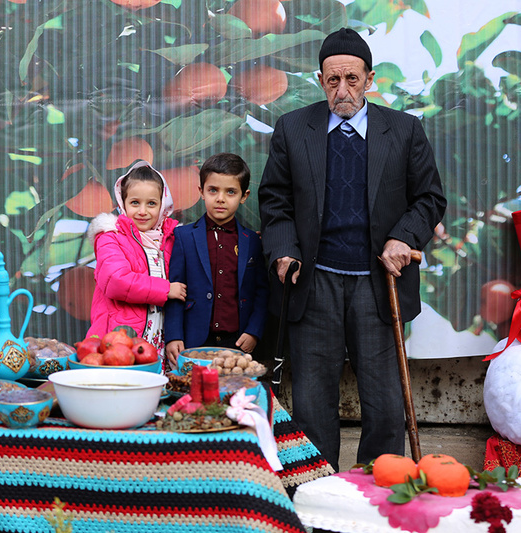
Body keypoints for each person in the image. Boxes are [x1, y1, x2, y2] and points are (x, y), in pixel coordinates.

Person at [258, 28, 446, 468]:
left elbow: (430, 198)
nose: (342, 90)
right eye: (332, 80)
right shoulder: (292, 128)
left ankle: (376, 496)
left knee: (384, 406)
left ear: (370, 78)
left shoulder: (403, 129)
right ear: (320, 79)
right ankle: (318, 494)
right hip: (315, 281)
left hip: (378, 286)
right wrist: (284, 249)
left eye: (352, 80)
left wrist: (403, 236)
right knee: (311, 404)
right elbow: (275, 199)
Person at [165, 153, 269, 369]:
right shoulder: (183, 237)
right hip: (193, 339)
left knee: (232, 395)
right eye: (213, 190)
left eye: (230, 192)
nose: (220, 198)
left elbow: (262, 292)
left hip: (237, 341)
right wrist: (173, 335)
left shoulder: (253, 242)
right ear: (201, 192)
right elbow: (175, 290)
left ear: (244, 196)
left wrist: (253, 331)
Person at [87, 160, 187, 369]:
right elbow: (116, 281)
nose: (143, 211)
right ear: (122, 203)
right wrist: (166, 289)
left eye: (151, 203)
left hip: (159, 339)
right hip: (120, 340)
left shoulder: (171, 239)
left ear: (163, 205)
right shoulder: (110, 236)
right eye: (135, 203)